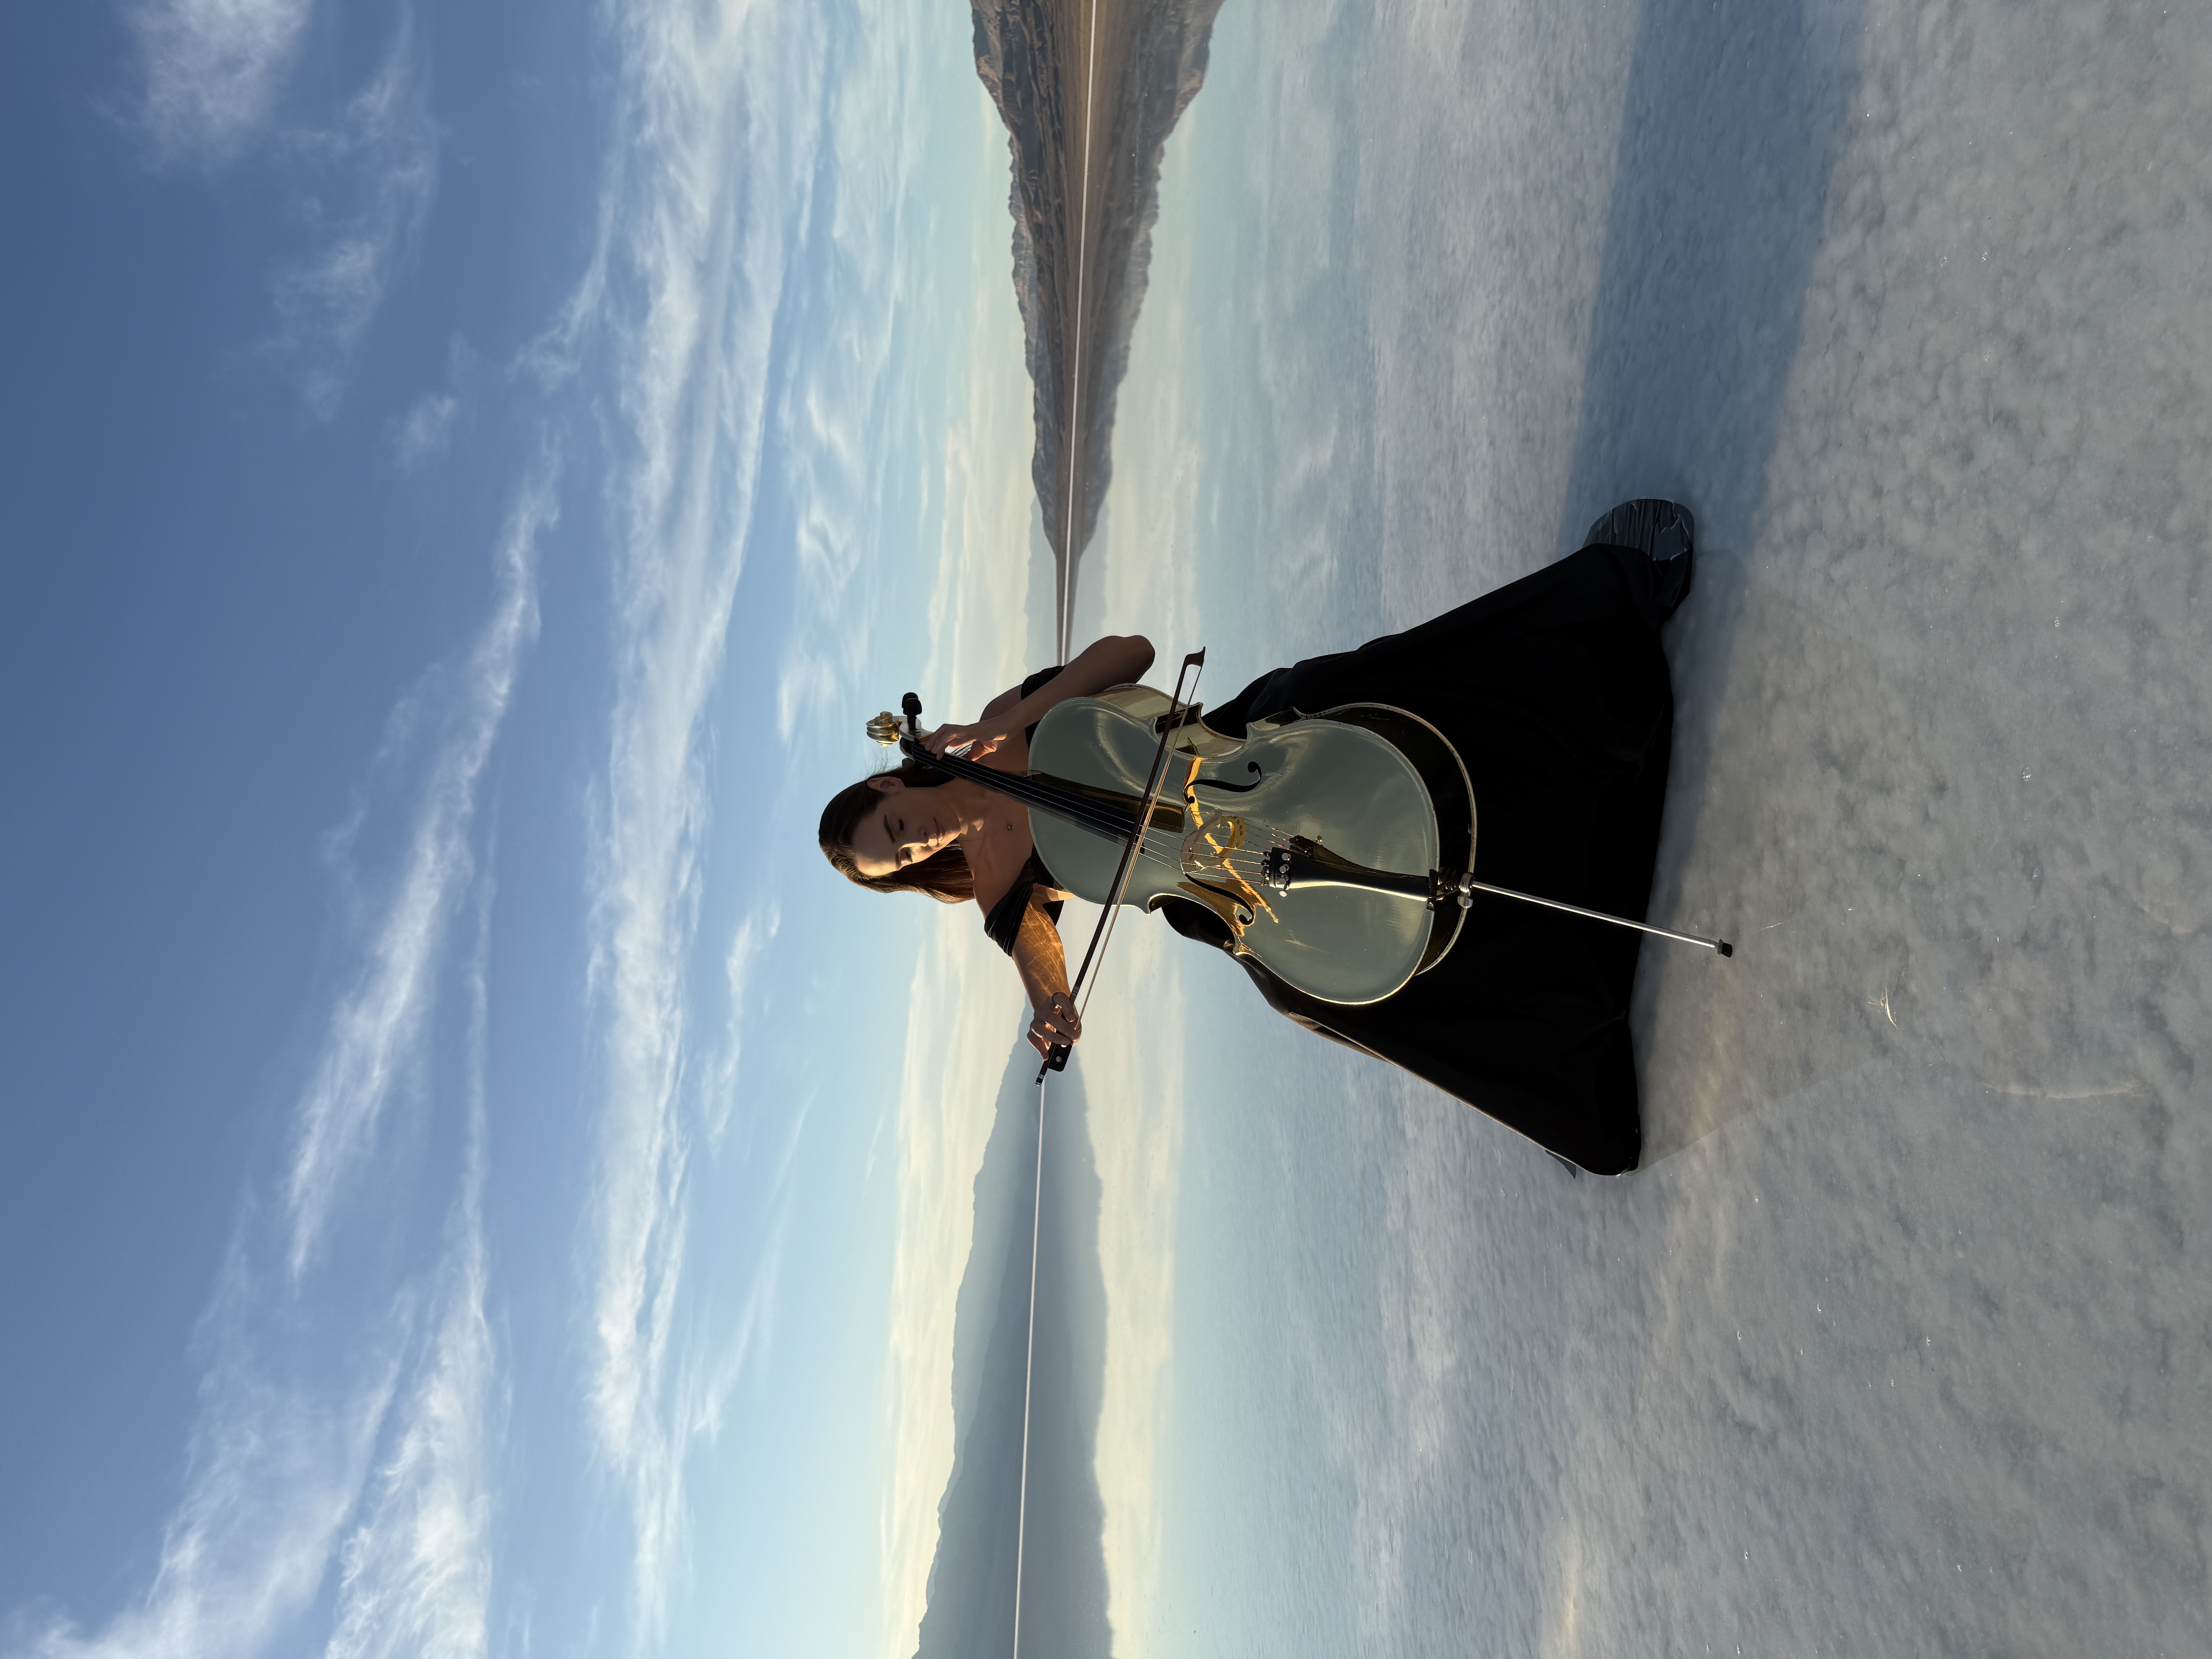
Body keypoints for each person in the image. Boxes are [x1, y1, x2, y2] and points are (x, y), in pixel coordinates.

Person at [819, 500, 1696, 1174]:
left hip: (1235, 755)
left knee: (1334, 693)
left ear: (892, 779)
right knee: (1310, 989)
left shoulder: (1003, 722)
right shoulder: (995, 884)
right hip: (1216, 883)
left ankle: (1608, 607)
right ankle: (1546, 1065)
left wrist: (1017, 727)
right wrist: (1049, 1005)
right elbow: (1039, 954)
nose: (915, 842)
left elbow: (1132, 653)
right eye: (900, 858)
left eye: (895, 826)